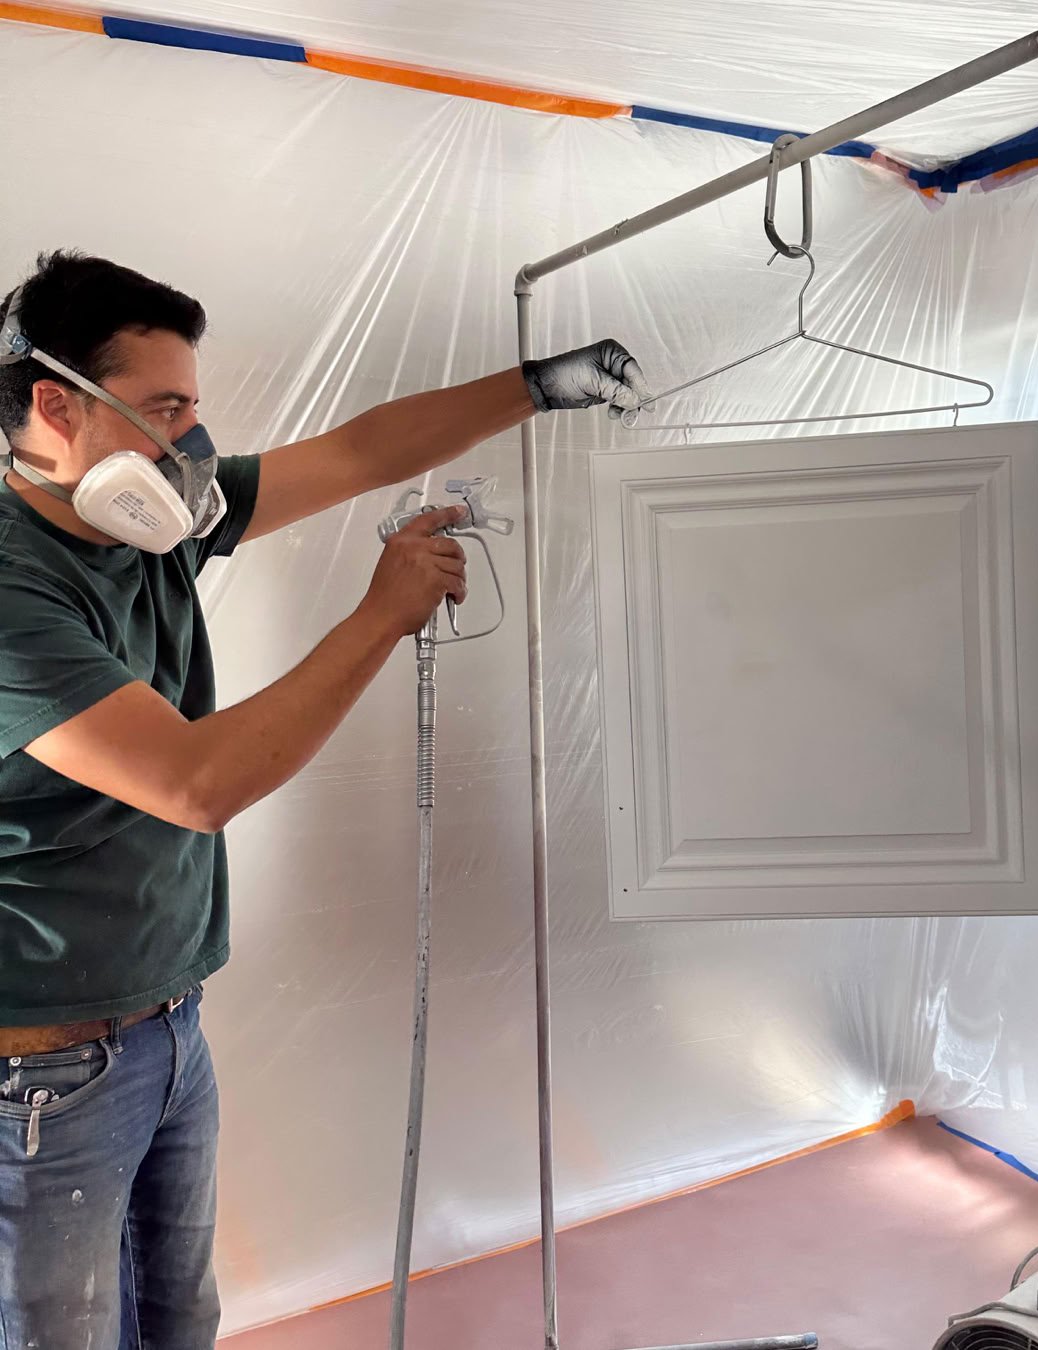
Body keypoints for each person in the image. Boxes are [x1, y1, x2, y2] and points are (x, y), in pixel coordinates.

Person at [0, 249, 649, 1349]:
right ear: (56, 405)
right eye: (163, 411)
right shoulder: (15, 586)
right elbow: (197, 783)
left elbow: (357, 452)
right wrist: (380, 614)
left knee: (175, 1322)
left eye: (192, 410)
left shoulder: (145, 520)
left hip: (165, 1030)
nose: (186, 445)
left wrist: (536, 384)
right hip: (44, 1081)